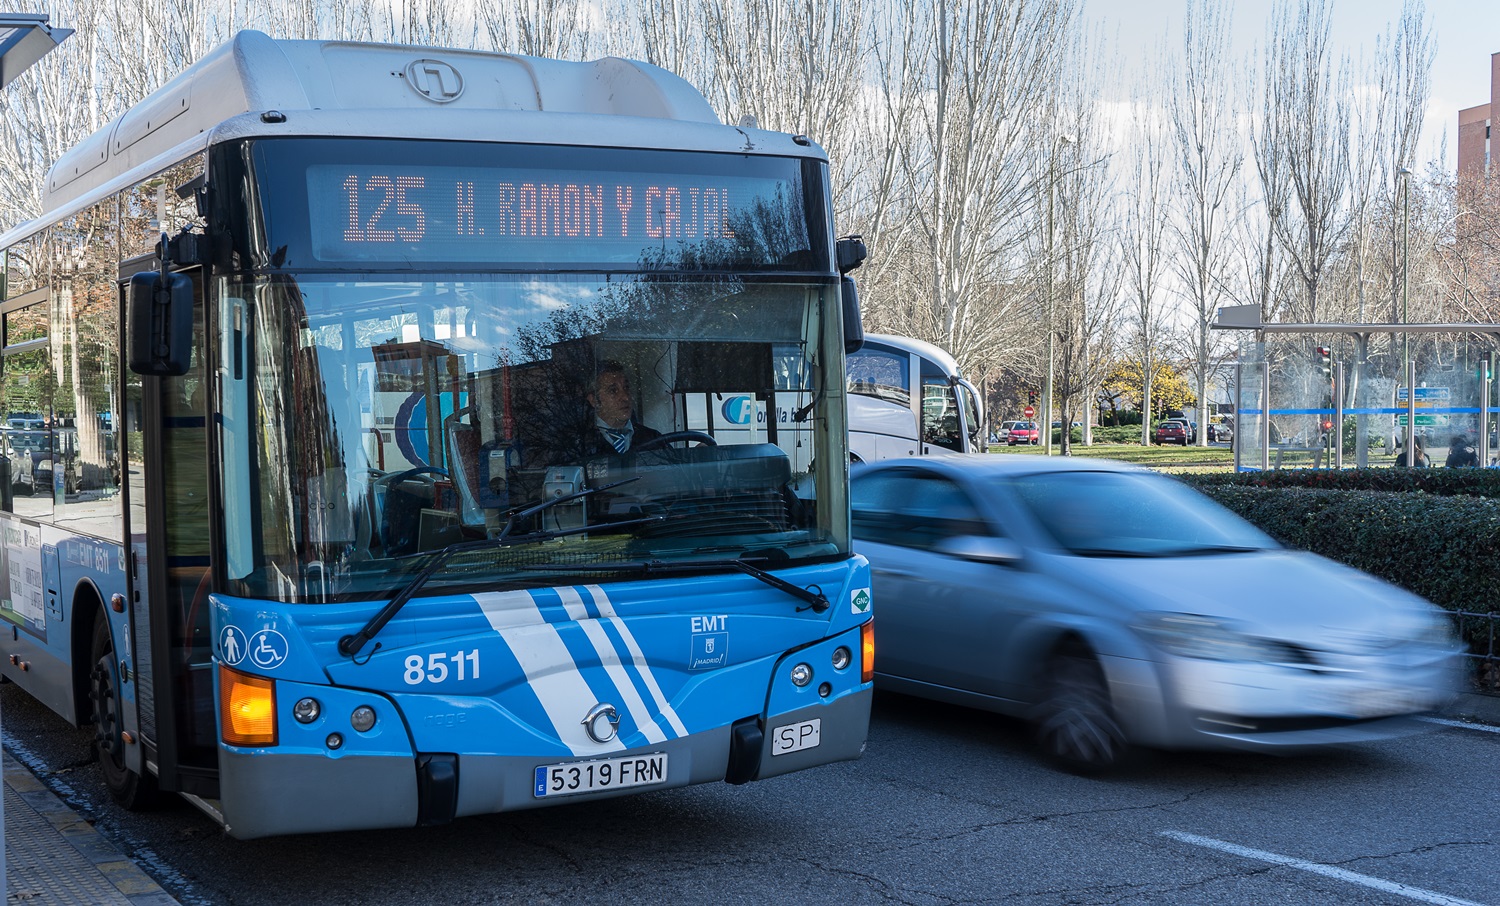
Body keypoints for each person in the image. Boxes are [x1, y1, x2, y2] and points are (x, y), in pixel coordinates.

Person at [579, 360, 662, 457]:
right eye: (613, 390)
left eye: (626, 387)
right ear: (594, 400)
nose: (625, 397)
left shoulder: (654, 439)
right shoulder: (578, 444)